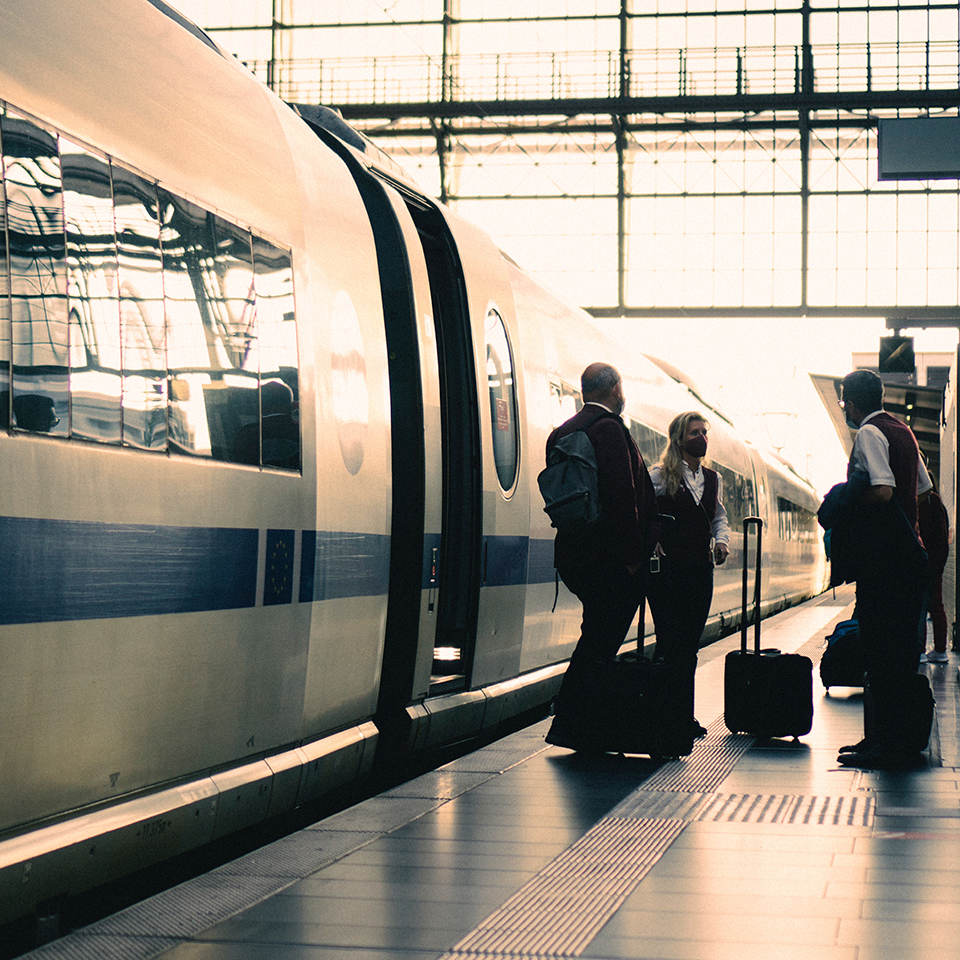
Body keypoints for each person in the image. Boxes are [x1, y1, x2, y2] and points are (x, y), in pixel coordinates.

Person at [545, 362, 659, 749]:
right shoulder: (609, 430)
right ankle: (572, 721)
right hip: (610, 559)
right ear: (615, 389)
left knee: (594, 634)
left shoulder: (563, 432)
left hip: (574, 554)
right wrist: (631, 556)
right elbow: (622, 497)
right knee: (599, 641)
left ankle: (581, 720)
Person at [832, 369, 931, 769]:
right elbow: (923, 489)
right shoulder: (903, 431)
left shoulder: (870, 434)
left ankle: (883, 745)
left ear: (852, 402)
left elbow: (884, 489)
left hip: (885, 565)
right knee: (899, 655)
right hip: (910, 560)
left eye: (843, 402)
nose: (844, 409)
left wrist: (845, 502)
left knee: (879, 652)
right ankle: (887, 739)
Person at [647, 412, 730, 740]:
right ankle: (661, 713)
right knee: (669, 642)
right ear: (679, 439)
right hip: (667, 572)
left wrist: (721, 541)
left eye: (704, 432)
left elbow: (718, 516)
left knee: (689, 646)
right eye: (694, 432)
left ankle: (682, 714)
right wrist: (651, 539)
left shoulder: (714, 479)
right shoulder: (659, 474)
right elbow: (642, 510)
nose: (702, 438)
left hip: (699, 571)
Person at [918, 479, 950, 664]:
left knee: (920, 607)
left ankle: (922, 650)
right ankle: (939, 649)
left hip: (922, 562)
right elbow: (942, 535)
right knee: (936, 606)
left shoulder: (925, 501)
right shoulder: (934, 501)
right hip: (933, 564)